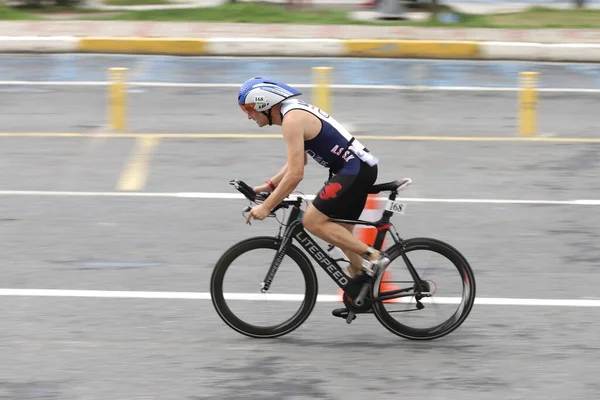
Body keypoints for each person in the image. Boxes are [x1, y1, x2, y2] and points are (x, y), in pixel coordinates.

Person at [238, 76, 390, 319]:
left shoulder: (292, 120)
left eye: (249, 109)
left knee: (312, 221)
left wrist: (267, 206)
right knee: (342, 235)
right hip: (353, 169)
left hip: (353, 170)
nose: (248, 116)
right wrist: (266, 186)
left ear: (264, 103)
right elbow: (298, 163)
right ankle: (360, 294)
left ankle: (374, 257)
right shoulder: (291, 115)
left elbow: (296, 174)